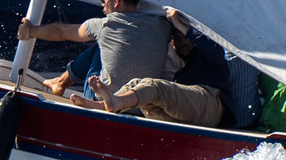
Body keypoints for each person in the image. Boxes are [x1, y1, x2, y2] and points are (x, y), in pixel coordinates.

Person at [74, 8, 231, 126]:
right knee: (138, 85)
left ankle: (113, 103)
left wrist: (179, 24)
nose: (183, 42)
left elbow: (215, 51)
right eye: (177, 38)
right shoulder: (181, 68)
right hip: (188, 114)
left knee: (154, 87)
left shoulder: (208, 56)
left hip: (211, 105)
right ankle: (105, 104)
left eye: (186, 37)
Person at [16, 0, 171, 91]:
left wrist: (29, 31)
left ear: (115, 1)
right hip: (143, 103)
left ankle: (60, 82)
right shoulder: (163, 27)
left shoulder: (105, 26)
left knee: (98, 48)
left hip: (104, 99)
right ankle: (60, 81)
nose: (102, 6)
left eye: (103, 0)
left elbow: (60, 31)